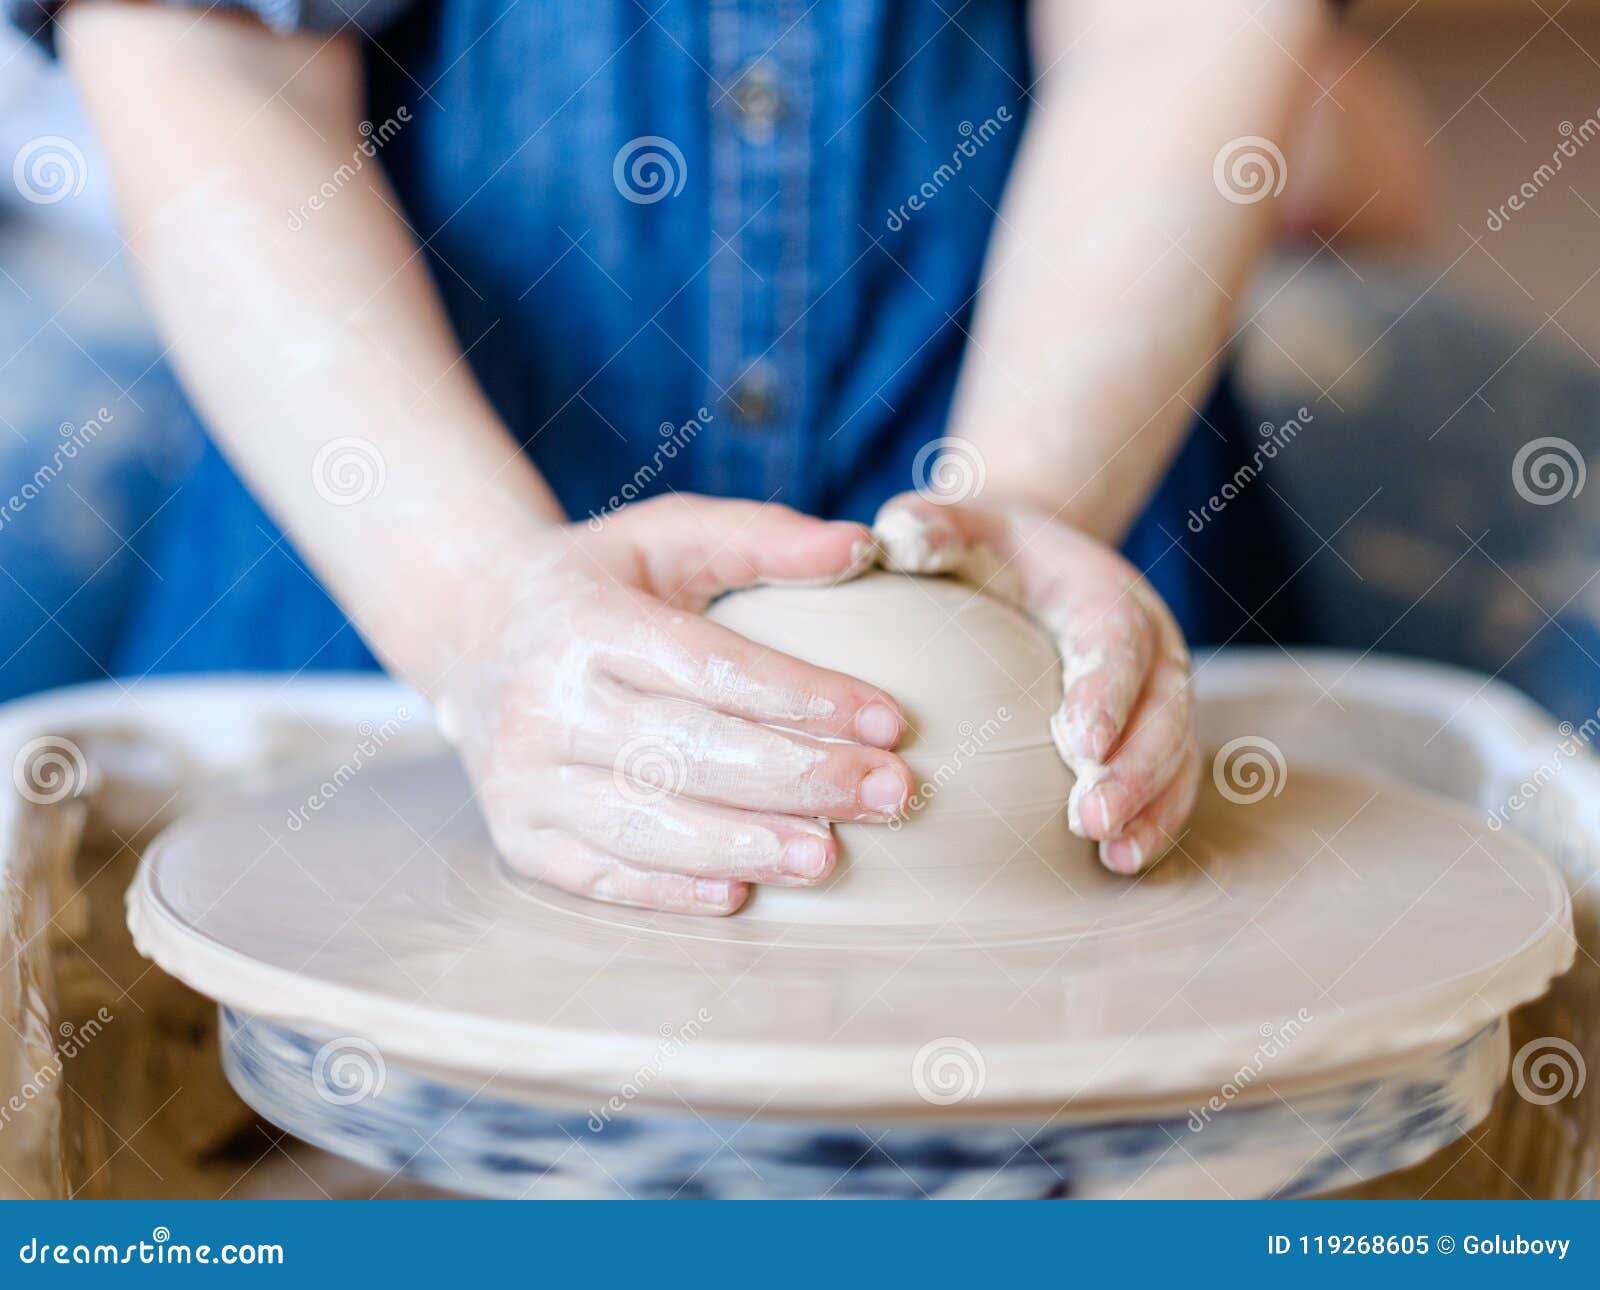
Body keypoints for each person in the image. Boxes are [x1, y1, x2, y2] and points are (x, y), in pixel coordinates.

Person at [15, 0, 1348, 914]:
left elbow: (1173, 27)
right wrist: (475, 601)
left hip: (1040, 431)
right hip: (398, 498)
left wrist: (1034, 495)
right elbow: (216, 47)